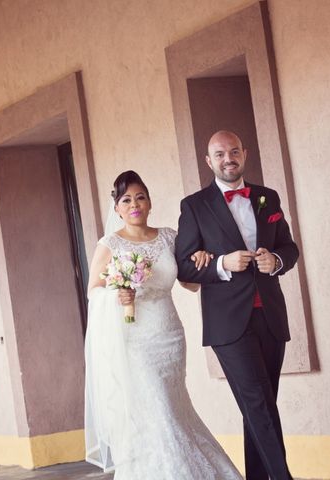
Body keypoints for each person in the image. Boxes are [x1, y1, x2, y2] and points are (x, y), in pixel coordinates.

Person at [84, 170, 243, 480]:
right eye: (127, 199)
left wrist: (200, 259)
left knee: (176, 407)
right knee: (159, 413)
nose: (134, 204)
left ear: (150, 202)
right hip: (135, 340)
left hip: (169, 335)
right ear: (117, 207)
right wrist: (117, 294)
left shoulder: (170, 236)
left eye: (140, 197)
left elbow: (190, 285)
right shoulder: (110, 244)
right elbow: (93, 290)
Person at [175, 130, 300, 480]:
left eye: (233, 152)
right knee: (259, 405)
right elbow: (183, 265)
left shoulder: (267, 197)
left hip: (271, 317)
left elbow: (289, 248)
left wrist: (275, 260)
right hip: (229, 324)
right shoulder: (195, 206)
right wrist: (221, 265)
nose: (228, 159)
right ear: (208, 161)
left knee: (259, 407)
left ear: (244, 154)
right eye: (219, 154)